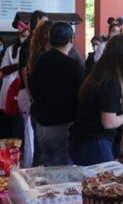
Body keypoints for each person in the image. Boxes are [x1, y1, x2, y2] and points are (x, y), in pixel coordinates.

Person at [69, 34, 123, 165]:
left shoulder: (101, 73)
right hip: (94, 144)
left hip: (84, 142)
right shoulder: (111, 81)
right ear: (116, 57)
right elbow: (108, 122)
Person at [30, 22, 84, 166]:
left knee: (47, 168)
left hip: (41, 126)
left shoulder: (40, 62)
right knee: (63, 174)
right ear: (71, 39)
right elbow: (81, 97)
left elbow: (33, 90)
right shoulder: (74, 67)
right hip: (63, 127)